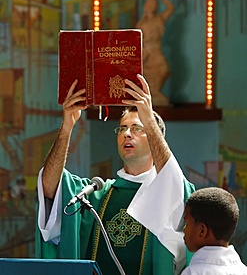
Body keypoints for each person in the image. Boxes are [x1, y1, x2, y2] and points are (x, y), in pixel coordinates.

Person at [36, 74, 195, 275]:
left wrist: (149, 117)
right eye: (122, 129)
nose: (127, 134)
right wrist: (67, 126)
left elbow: (174, 185)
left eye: (138, 128)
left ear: (155, 137)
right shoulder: (96, 195)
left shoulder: (166, 195)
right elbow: (49, 187)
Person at [181, 187, 247, 275]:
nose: (184, 229)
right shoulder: (243, 270)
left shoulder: (193, 272)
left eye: (187, 223)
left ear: (202, 231)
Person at [135, 0, 174, 106]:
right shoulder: (141, 23)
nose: (151, 6)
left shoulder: (159, 19)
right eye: (149, 4)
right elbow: (138, 38)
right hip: (146, 52)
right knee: (146, 75)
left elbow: (171, 8)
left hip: (156, 51)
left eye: (153, 4)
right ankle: (151, 94)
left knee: (164, 69)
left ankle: (155, 92)